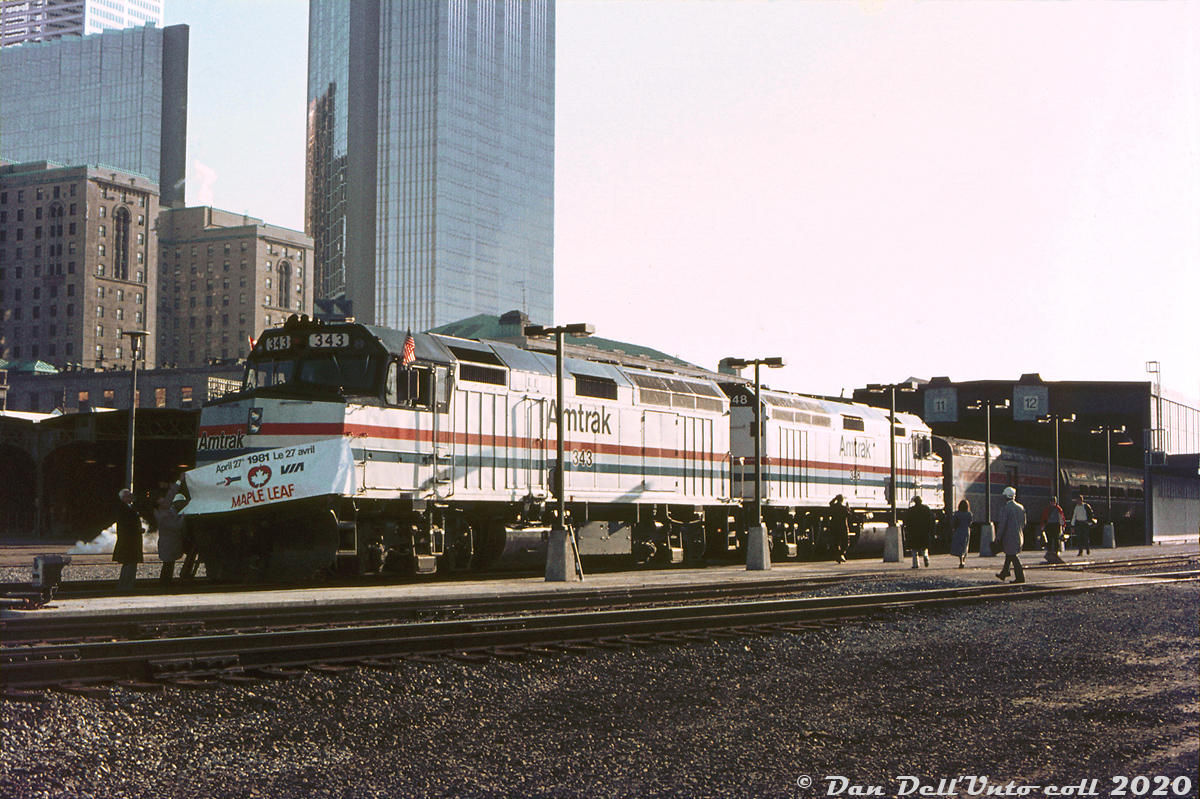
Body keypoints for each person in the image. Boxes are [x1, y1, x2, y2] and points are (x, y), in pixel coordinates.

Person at [114, 488, 144, 591]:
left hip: (129, 542)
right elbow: (126, 526)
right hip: (129, 542)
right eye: (129, 496)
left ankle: (123, 586)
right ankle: (126, 587)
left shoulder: (127, 508)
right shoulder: (123, 509)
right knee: (130, 565)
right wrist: (137, 530)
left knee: (128, 564)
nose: (132, 497)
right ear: (123, 498)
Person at [995, 485, 1027, 583]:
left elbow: (1002, 525)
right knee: (1009, 555)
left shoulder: (1005, 509)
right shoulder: (1021, 508)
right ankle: (1004, 572)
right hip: (1019, 535)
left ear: (1005, 496)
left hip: (1009, 537)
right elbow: (1024, 523)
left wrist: (998, 538)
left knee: (1013, 556)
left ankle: (1020, 577)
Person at [154, 492, 185, 584]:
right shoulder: (164, 516)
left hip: (169, 542)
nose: (167, 502)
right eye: (163, 502)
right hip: (169, 543)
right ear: (160, 507)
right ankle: (165, 583)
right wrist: (183, 518)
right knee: (168, 564)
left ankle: (166, 582)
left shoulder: (166, 511)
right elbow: (175, 526)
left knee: (169, 564)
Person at [903, 494, 934, 569]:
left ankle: (915, 564)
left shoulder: (911, 510)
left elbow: (907, 521)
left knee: (914, 549)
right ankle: (925, 556)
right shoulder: (926, 509)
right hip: (924, 531)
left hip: (914, 532)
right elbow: (931, 521)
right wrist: (931, 531)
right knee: (924, 547)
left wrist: (907, 530)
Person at [1039, 496, 1067, 565]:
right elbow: (1044, 517)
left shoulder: (1058, 509)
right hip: (1049, 525)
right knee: (1050, 539)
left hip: (1056, 525)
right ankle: (1050, 551)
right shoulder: (1047, 509)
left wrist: (1063, 525)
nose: (1052, 503)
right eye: (1052, 501)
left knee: (1056, 539)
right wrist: (1042, 525)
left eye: (1053, 502)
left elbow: (1061, 517)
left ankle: (1056, 551)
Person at [950, 499, 972, 569]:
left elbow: (953, 522)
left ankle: (961, 560)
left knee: (959, 546)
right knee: (965, 546)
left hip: (958, 531)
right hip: (966, 531)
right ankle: (963, 559)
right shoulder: (969, 514)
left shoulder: (957, 513)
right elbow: (970, 523)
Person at [828, 494, 850, 564]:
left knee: (836, 542)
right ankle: (841, 554)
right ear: (842, 500)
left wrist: (835, 498)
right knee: (846, 542)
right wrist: (848, 507)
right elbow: (849, 515)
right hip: (843, 527)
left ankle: (838, 555)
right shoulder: (844, 508)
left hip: (835, 527)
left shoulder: (834, 507)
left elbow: (830, 503)